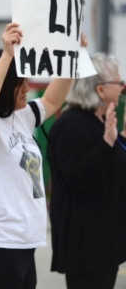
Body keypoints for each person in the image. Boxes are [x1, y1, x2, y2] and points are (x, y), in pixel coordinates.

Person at [0, 23, 79, 289]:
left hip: (23, 241)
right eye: (19, 82)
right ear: (2, 84)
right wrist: (6, 56)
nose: (28, 87)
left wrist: (72, 57)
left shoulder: (22, 116)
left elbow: (52, 100)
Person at [47, 53, 126, 289]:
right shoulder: (72, 123)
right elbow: (80, 176)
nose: (122, 88)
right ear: (100, 90)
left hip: (102, 242)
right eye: (118, 82)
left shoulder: (98, 121)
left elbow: (112, 165)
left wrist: (119, 138)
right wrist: (108, 141)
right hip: (86, 246)